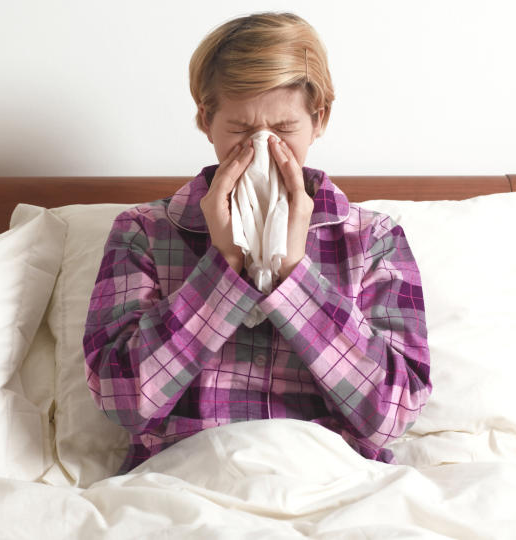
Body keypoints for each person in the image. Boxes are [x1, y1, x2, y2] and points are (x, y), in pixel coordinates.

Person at [83, 12, 431, 473]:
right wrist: (223, 267)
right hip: (188, 481)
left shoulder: (373, 240)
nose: (263, 150)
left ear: (318, 119)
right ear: (207, 120)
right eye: (243, 132)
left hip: (331, 479)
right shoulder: (144, 232)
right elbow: (124, 402)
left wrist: (293, 276)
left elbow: (392, 415)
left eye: (284, 130)